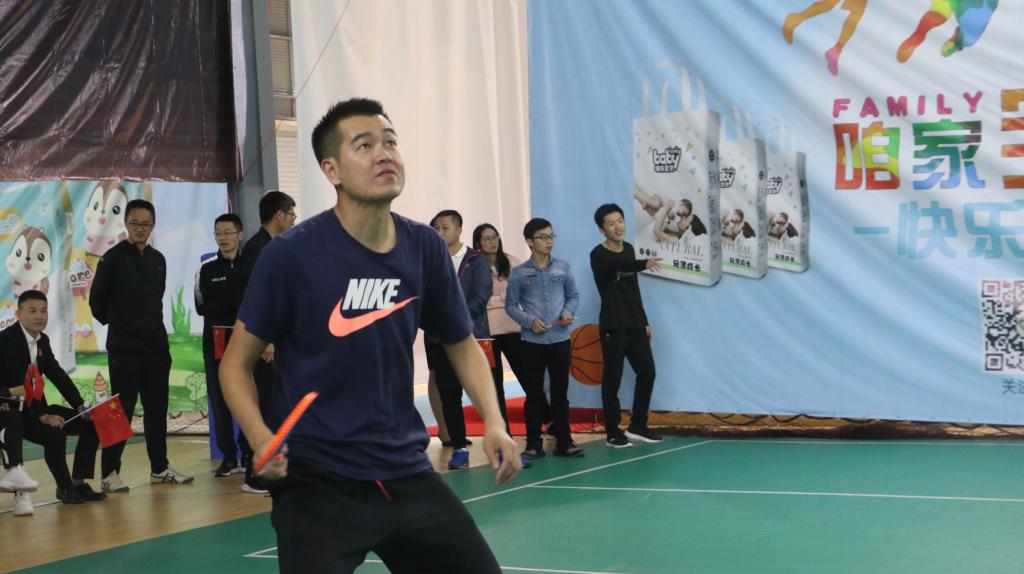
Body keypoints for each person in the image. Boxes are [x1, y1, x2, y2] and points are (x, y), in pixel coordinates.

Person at [219, 97, 519, 574]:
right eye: (364, 145)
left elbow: (461, 343)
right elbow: (235, 364)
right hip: (317, 482)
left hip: (405, 470)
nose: (384, 154)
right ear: (331, 169)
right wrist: (260, 437)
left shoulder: (424, 246)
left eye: (390, 142)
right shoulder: (291, 255)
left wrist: (495, 422)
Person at [90, 199, 192, 491]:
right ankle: (109, 473)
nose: (140, 228)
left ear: (153, 226)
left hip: (156, 347)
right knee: (120, 410)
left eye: (146, 224)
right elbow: (96, 301)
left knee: (157, 409)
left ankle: (159, 468)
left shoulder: (158, 259)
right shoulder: (112, 258)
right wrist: (120, 322)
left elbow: (154, 300)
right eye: (134, 223)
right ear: (125, 224)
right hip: (124, 348)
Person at [0, 290, 106, 510]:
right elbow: (22, 386)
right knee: (54, 434)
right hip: (13, 412)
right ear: (18, 314)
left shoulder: (42, 340)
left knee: (91, 421)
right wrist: (44, 416)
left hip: (36, 408)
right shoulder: (6, 341)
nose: (40, 316)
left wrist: (80, 405)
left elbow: (57, 374)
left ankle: (77, 482)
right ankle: (64, 488)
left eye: (44, 311)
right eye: (32, 311)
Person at [233, 190, 296, 494]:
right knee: (262, 404)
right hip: (259, 342)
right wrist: (265, 340)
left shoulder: (271, 246)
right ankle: (255, 473)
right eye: (291, 214)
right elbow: (252, 300)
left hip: (271, 339)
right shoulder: (259, 249)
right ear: (279, 215)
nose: (294, 220)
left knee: (272, 403)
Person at [505, 218, 584, 460]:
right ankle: (533, 444)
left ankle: (564, 442)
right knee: (534, 394)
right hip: (532, 343)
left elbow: (573, 295)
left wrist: (567, 312)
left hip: (560, 340)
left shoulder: (563, 267)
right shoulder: (519, 273)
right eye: (543, 237)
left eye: (551, 236)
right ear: (530, 242)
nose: (549, 241)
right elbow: (510, 305)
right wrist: (529, 321)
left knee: (560, 393)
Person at [590, 204, 664, 448]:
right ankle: (613, 432)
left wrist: (644, 321)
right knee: (612, 380)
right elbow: (617, 266)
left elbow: (634, 290)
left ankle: (638, 425)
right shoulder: (598, 254)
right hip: (613, 327)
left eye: (620, 220)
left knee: (647, 372)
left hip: (635, 324)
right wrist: (642, 263)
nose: (618, 226)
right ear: (602, 230)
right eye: (611, 223)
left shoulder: (629, 249)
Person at [428, 210, 492, 470]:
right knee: (449, 395)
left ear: (459, 230)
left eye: (445, 227)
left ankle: (503, 444)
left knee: (487, 393)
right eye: (436, 228)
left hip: (472, 338)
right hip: (439, 339)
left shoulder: (476, 260)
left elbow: (482, 294)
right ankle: (459, 448)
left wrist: (459, 321)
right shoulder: (430, 259)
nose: (439, 232)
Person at [472, 223, 538, 467]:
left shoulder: (512, 262)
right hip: (486, 334)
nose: (492, 241)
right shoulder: (473, 266)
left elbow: (523, 293)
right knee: (495, 387)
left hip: (513, 329)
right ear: (478, 244)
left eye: (495, 237)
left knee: (530, 380)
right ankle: (504, 444)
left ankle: (536, 438)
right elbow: (475, 297)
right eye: (486, 238)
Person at [195, 213, 246, 479]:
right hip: (215, 342)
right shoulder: (206, 269)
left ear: (240, 234)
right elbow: (202, 306)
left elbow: (257, 302)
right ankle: (228, 457)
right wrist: (234, 304)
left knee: (250, 398)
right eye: (218, 233)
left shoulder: (252, 265)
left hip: (247, 342)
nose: (223, 238)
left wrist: (229, 303)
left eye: (228, 232)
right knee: (219, 400)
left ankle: (249, 455)